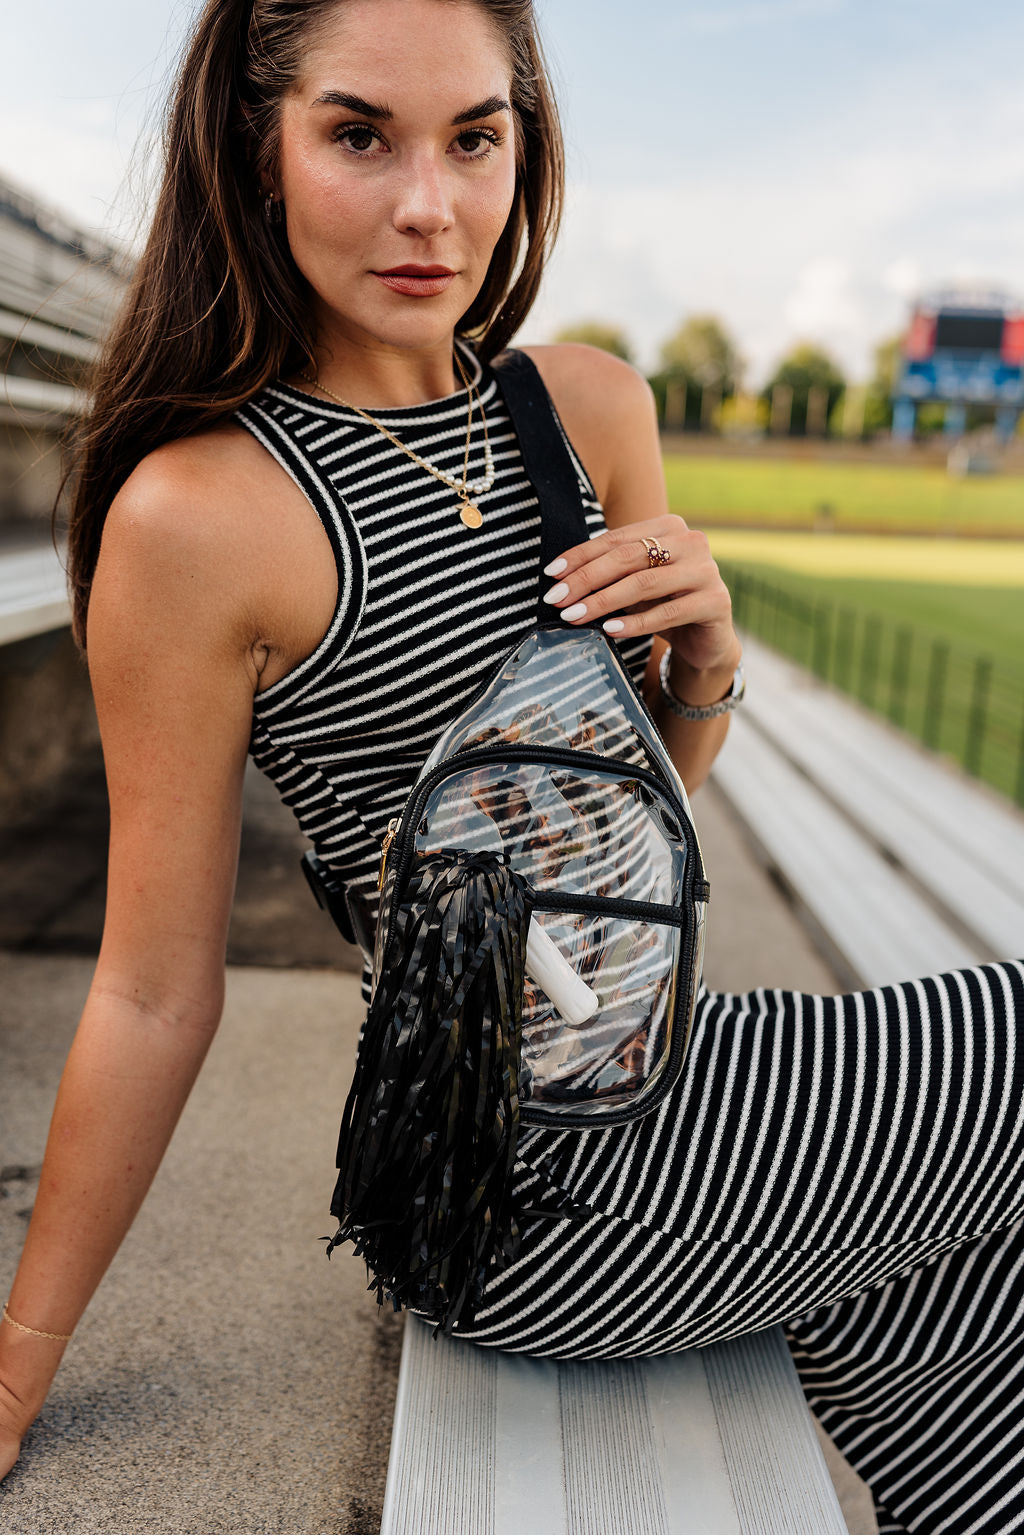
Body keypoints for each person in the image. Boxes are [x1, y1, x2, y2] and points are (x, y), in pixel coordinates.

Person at [1, 2, 1023, 1529]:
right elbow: (154, 985)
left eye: (475, 137)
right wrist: (18, 1360)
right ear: (253, 148)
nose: (433, 204)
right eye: (360, 134)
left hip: (674, 1081)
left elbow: (632, 850)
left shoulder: (591, 409)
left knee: (950, 1294)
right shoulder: (197, 518)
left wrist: (706, 669)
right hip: (510, 1182)